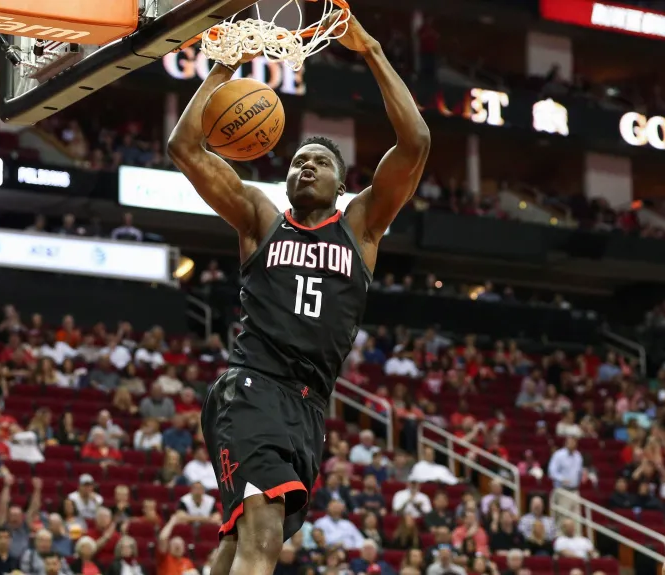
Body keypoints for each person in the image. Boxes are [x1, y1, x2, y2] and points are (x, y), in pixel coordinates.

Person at [167, 7, 429, 575]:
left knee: (242, 540)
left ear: (341, 184)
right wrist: (220, 74)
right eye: (298, 162)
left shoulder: (361, 227)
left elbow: (415, 142)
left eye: (320, 163)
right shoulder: (261, 218)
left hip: (310, 407)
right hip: (253, 386)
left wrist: (373, 52)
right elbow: (184, 149)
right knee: (261, 527)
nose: (307, 167)